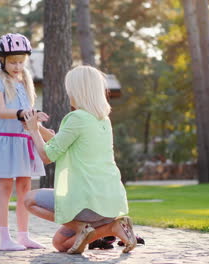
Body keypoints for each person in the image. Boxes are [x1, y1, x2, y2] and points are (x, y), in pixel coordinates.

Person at [23, 65, 137, 254]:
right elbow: (65, 144)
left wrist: (34, 131)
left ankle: (90, 227)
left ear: (77, 90)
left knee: (29, 199)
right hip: (109, 203)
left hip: (86, 204)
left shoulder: (76, 118)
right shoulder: (102, 120)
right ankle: (111, 227)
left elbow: (47, 156)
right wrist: (38, 128)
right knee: (60, 243)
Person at [0, 33, 54, 251]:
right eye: (12, 62)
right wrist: (22, 112)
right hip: (8, 144)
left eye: (21, 61)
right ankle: (5, 239)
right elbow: (1, 111)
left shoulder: (25, 84)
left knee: (25, 189)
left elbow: (28, 119)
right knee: (5, 189)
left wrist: (44, 130)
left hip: (24, 142)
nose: (17, 66)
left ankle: (24, 236)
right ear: (2, 61)